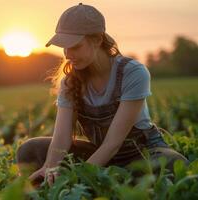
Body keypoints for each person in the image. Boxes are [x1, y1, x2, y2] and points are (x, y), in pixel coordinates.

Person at [16, 3, 188, 186]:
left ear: (97, 40)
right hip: (100, 155)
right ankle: (114, 180)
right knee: (29, 150)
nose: (67, 55)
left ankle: (106, 181)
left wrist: (80, 177)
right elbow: (61, 138)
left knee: (172, 164)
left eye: (74, 46)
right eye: (64, 48)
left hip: (143, 153)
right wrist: (50, 167)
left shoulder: (133, 73)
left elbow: (112, 143)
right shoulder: (69, 82)